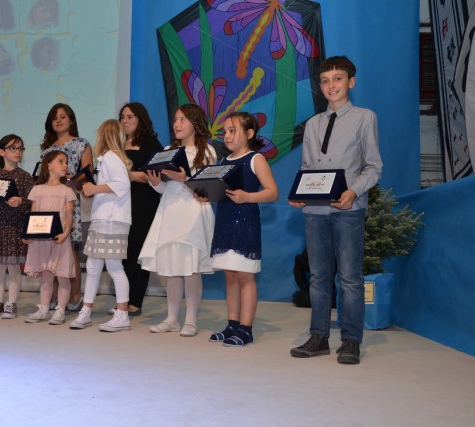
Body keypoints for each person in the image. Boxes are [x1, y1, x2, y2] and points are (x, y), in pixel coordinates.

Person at [289, 56, 382, 364]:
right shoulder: (312, 124)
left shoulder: (365, 117)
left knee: (351, 278)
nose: (331, 85)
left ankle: (351, 340)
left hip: (348, 209)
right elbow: (307, 168)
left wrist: (353, 191)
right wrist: (299, 194)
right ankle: (318, 337)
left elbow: (373, 167)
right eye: (325, 81)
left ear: (351, 82)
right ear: (320, 85)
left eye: (338, 79)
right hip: (315, 212)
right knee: (318, 277)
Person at [138, 104, 217, 337]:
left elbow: (206, 189)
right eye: (175, 119)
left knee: (191, 268)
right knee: (171, 268)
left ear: (195, 122)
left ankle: (191, 320)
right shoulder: (168, 150)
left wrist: (184, 179)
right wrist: (156, 183)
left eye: (182, 119)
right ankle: (171, 318)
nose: (177, 124)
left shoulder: (207, 151)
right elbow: (166, 188)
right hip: (170, 211)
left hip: (193, 212)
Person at [207, 112, 278, 347]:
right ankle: (232, 324)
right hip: (225, 223)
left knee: (245, 276)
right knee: (230, 276)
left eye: (232, 130)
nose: (227, 136)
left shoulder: (256, 159)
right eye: (224, 132)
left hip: (245, 224)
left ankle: (246, 329)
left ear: (249, 134)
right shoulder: (223, 162)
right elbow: (221, 192)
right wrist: (206, 194)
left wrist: (248, 196)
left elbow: (272, 192)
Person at [69, 119, 132, 332]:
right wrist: (89, 188)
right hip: (103, 218)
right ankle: (86, 310)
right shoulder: (108, 159)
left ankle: (122, 314)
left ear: (104, 135)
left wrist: (94, 189)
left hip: (112, 220)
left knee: (114, 267)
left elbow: (122, 185)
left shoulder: (112, 157)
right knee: (93, 266)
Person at [37, 103, 91, 311]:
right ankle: (53, 295)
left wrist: (71, 180)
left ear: (71, 120)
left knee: (69, 248)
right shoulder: (46, 150)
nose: (58, 120)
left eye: (62, 116)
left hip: (68, 201)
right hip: (48, 203)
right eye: (54, 118)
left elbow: (88, 172)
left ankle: (75, 295)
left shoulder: (81, 144)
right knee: (49, 247)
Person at [0, 134, 33, 319]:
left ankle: (12, 304)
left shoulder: (24, 176)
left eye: (20, 148)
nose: (18, 152)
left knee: (14, 266)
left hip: (14, 227)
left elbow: (31, 202)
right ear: (2, 152)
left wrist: (20, 201)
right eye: (13, 148)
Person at [118, 102, 163, 316]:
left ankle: (135, 301)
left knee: (136, 253)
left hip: (143, 204)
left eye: (130, 117)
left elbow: (156, 176)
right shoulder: (118, 143)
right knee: (122, 254)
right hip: (120, 205)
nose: (125, 121)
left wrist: (129, 175)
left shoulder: (150, 143)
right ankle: (123, 301)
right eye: (122, 117)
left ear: (140, 119)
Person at [22, 150, 76, 324]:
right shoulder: (37, 190)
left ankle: (60, 310)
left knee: (62, 276)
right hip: (41, 240)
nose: (65, 165)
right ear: (48, 165)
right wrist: (28, 234)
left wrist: (65, 233)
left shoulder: (66, 191)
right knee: (46, 275)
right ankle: (44, 309)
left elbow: (69, 214)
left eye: (66, 162)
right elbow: (33, 215)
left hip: (59, 239)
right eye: (61, 161)